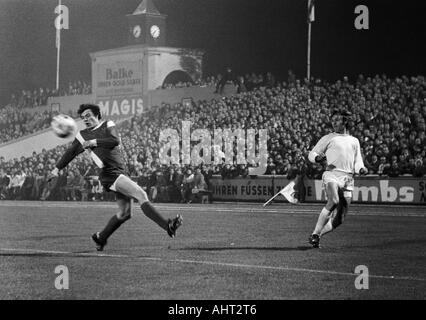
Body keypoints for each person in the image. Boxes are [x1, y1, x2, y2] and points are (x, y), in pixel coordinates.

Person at [48, 104, 182, 251]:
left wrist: (94, 142)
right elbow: (71, 152)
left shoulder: (107, 124)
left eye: (88, 115)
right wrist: (56, 169)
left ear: (97, 115)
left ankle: (101, 237)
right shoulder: (82, 135)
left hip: (120, 172)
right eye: (83, 117)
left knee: (124, 214)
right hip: (110, 173)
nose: (85, 119)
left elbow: (114, 140)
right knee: (141, 194)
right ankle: (167, 225)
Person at [307, 109, 368, 248]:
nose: (333, 122)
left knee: (340, 218)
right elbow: (312, 153)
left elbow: (358, 162)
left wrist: (361, 169)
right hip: (332, 174)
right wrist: (317, 157)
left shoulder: (354, 141)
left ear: (345, 121)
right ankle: (316, 233)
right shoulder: (328, 137)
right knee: (333, 200)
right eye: (332, 120)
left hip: (348, 179)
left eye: (337, 120)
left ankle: (317, 236)